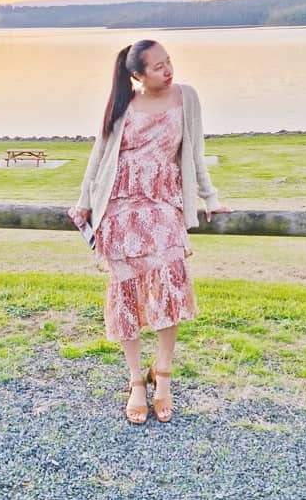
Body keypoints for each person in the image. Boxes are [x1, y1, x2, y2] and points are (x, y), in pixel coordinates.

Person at [68, 39, 229, 424]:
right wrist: (85, 201)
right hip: (120, 204)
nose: (168, 70)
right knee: (126, 291)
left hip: (162, 201)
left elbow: (193, 153)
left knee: (170, 280)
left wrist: (211, 197)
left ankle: (165, 374)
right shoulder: (123, 105)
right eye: (158, 67)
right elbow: (101, 156)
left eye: (169, 62)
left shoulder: (186, 98)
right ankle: (136, 380)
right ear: (137, 75)